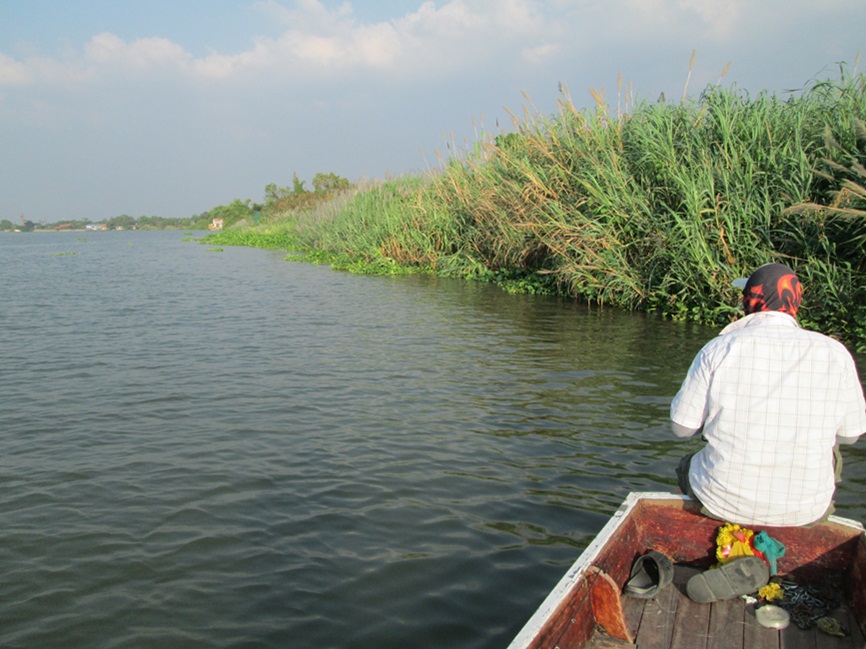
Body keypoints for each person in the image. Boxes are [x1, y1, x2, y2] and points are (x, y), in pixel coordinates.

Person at [670, 263, 866, 527]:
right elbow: (850, 435)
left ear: (750, 299)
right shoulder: (836, 353)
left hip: (720, 500)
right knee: (833, 454)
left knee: (688, 463)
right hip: (806, 510)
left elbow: (682, 428)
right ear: (795, 302)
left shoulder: (718, 348)